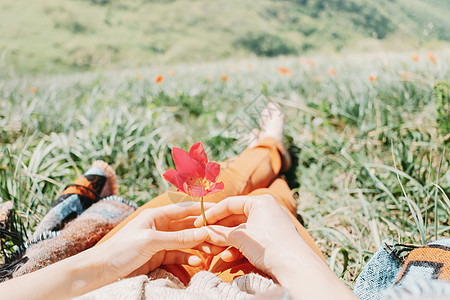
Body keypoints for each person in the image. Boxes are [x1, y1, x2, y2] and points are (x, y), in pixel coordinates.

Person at [1, 103, 448, 299]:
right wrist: (290, 257)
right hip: (252, 292)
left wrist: (97, 267)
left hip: (108, 284)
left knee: (219, 196)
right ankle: (270, 151)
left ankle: (268, 153)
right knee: (257, 205)